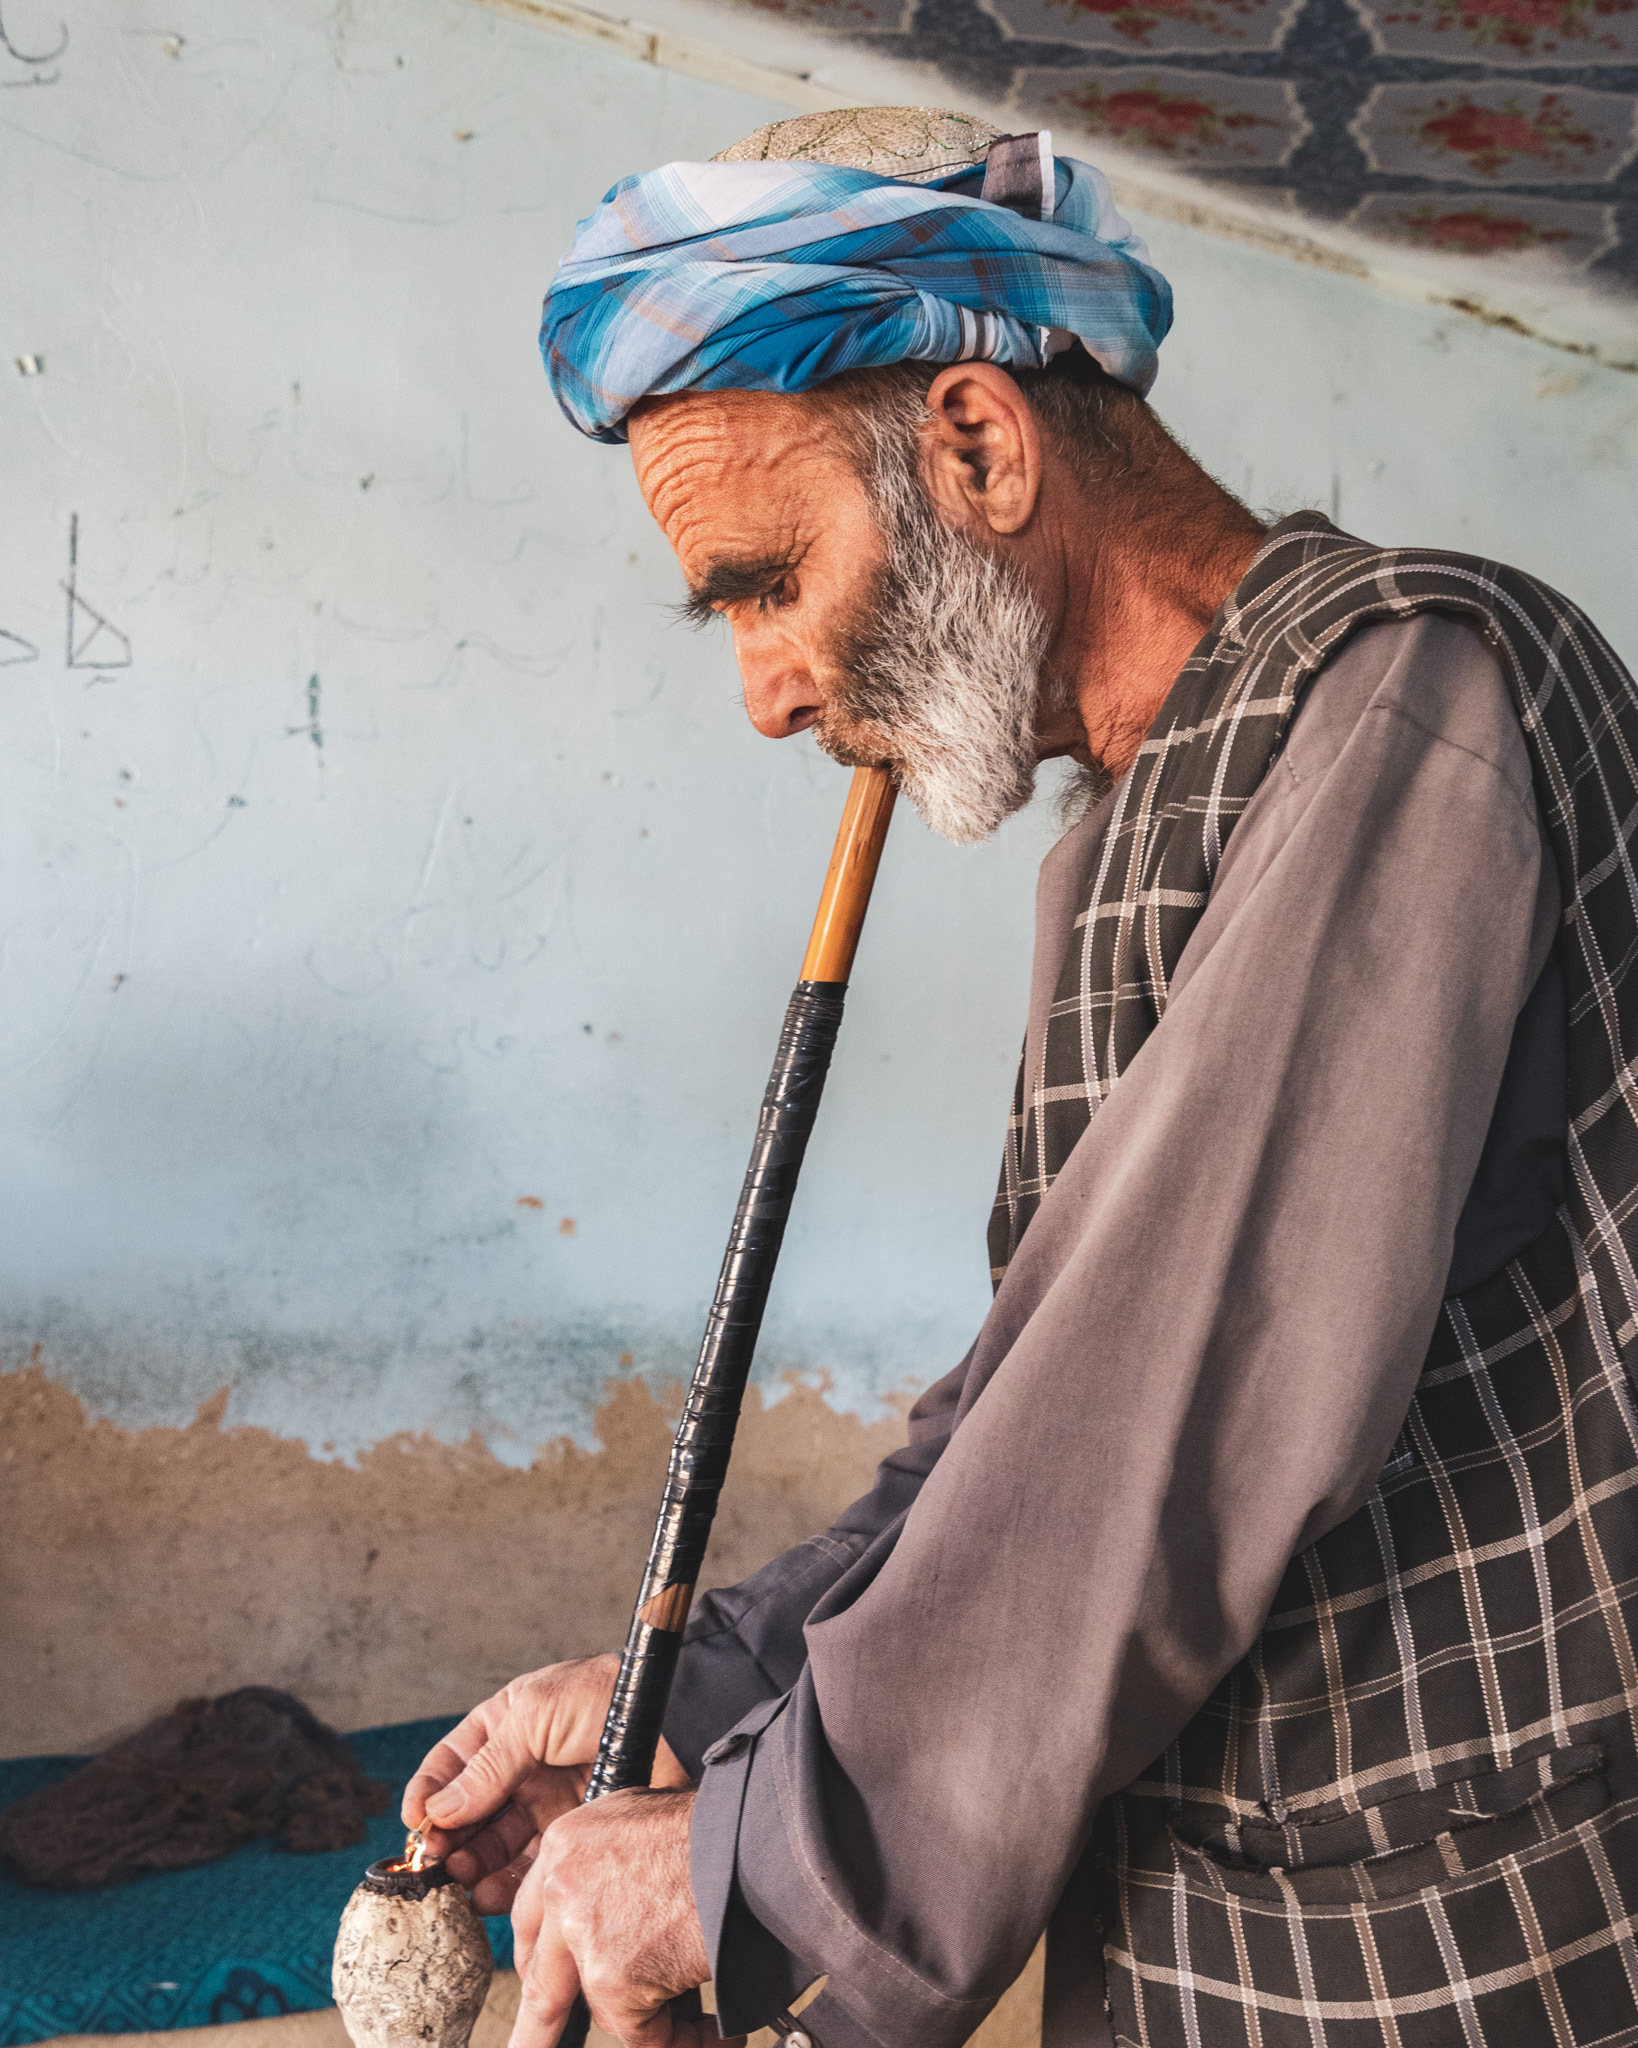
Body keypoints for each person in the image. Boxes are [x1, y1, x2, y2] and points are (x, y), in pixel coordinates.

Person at [403, 108, 1638, 2048]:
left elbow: (1158, 1428)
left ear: (978, 443)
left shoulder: (1415, 703)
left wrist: (743, 1860)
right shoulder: (1119, 836)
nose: (766, 686)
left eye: (766, 578)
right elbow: (1015, 1424)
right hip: (1198, 1950)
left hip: (1444, 1964)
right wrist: (712, 1693)